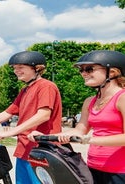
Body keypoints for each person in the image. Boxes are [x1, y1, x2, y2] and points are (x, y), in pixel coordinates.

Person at [29, 50, 125, 183]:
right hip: (93, 166)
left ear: (113, 72)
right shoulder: (90, 101)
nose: (83, 73)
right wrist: (46, 136)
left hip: (120, 170)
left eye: (89, 69)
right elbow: (80, 130)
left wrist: (88, 140)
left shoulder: (122, 98)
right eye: (81, 70)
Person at [0, 51, 62, 184]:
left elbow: (43, 115)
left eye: (21, 67)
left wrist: (11, 132)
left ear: (37, 68)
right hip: (24, 148)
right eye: (14, 68)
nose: (16, 71)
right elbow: (7, 113)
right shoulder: (25, 90)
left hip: (42, 150)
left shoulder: (46, 86)